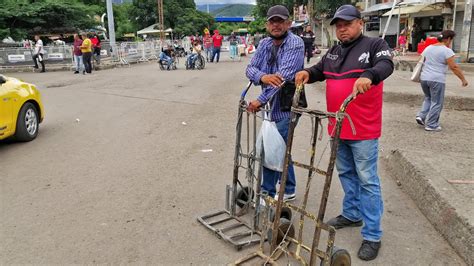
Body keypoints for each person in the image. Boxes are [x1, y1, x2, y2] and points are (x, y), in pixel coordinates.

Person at [295, 5, 394, 261]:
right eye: (338, 25)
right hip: (336, 126)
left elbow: (386, 64)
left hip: (363, 128)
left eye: (347, 24)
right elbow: (320, 70)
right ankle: (352, 214)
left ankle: (372, 235)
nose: (342, 28)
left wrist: (370, 75)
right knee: (346, 173)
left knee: (368, 180)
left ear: (360, 23)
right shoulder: (335, 51)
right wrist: (307, 73)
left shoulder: (375, 45)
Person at [246, 5, 304, 202]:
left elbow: (283, 78)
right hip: (271, 108)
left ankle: (267, 193)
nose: (276, 25)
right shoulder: (264, 44)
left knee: (271, 148)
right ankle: (289, 188)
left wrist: (259, 101)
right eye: (272, 21)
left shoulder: (295, 43)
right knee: (279, 147)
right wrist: (263, 76)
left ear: (288, 23)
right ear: (267, 24)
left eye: (280, 21)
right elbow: (250, 69)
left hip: (288, 106)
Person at [416, 30, 468, 131]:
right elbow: (454, 67)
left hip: (424, 78)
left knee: (428, 98)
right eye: (451, 40)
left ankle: (421, 116)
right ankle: (432, 125)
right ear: (448, 39)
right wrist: (463, 79)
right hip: (437, 80)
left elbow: (421, 61)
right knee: (437, 102)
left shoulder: (428, 48)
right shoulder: (447, 51)